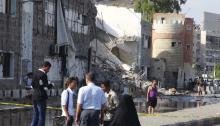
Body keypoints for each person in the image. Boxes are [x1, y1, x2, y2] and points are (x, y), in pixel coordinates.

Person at [31, 61, 54, 126]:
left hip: (34, 96)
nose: (48, 71)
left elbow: (32, 85)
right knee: (42, 116)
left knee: (35, 115)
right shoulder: (43, 75)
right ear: (45, 67)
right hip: (41, 97)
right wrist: (51, 85)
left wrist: (39, 86)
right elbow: (46, 87)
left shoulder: (35, 73)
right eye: (48, 68)